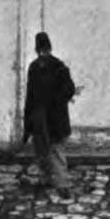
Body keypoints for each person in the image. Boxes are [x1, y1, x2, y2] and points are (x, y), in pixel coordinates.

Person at [23, 32, 75, 196]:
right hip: (49, 116)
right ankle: (55, 182)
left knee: (47, 150)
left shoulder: (40, 67)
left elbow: (30, 97)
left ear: (38, 48)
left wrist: (29, 120)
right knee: (49, 150)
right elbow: (69, 89)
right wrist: (56, 102)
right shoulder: (55, 66)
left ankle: (57, 183)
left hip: (45, 116)